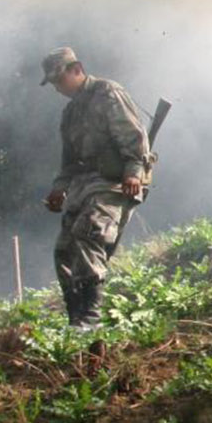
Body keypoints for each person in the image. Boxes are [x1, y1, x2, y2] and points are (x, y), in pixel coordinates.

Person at [40, 46, 153, 328]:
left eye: (59, 79)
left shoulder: (107, 93)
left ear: (77, 69)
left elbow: (133, 136)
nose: (57, 87)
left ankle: (90, 316)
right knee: (64, 250)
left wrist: (134, 172)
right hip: (84, 186)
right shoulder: (70, 113)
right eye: (53, 83)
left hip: (115, 182)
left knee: (89, 234)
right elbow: (68, 160)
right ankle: (76, 317)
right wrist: (58, 189)